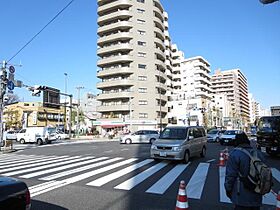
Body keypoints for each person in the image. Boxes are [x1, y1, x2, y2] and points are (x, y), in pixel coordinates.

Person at [224, 132, 264, 210]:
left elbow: (230, 175)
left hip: (241, 194)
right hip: (257, 193)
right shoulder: (258, 154)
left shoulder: (235, 154)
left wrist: (228, 189)